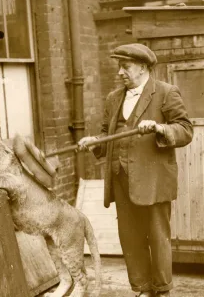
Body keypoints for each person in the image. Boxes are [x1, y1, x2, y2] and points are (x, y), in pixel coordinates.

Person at [78, 43, 193, 297]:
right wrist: (94, 142)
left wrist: (161, 128)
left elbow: (185, 129)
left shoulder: (165, 93)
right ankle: (142, 288)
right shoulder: (113, 98)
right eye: (119, 66)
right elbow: (107, 134)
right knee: (130, 237)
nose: (120, 72)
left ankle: (162, 290)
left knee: (157, 236)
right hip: (121, 177)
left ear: (142, 67)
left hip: (153, 179)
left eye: (125, 66)